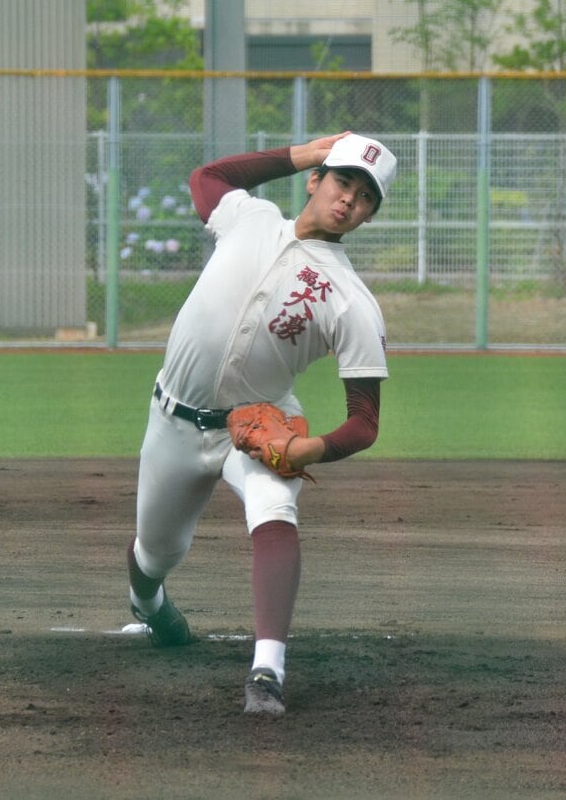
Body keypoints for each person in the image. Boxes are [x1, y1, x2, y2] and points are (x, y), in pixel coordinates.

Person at [126, 130, 398, 717]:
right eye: (342, 180)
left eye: (365, 196)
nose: (349, 199)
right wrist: (304, 149)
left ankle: (267, 671)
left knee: (274, 508)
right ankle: (148, 605)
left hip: (256, 431)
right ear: (316, 181)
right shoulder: (251, 219)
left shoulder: (350, 299)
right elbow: (208, 179)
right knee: (155, 552)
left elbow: (365, 423)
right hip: (172, 421)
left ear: (371, 215)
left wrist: (305, 451)